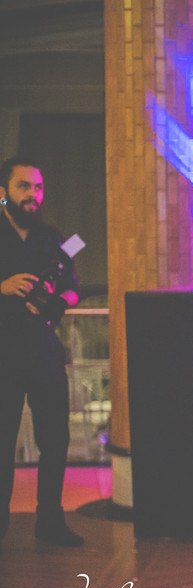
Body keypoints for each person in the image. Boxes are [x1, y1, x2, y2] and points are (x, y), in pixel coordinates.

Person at [1, 156, 82, 549]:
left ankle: (50, 521)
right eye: (24, 187)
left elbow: (74, 288)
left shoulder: (54, 238)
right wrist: (2, 287)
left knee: (55, 440)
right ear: (3, 193)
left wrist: (58, 302)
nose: (33, 195)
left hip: (44, 350)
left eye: (38, 187)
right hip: (3, 354)